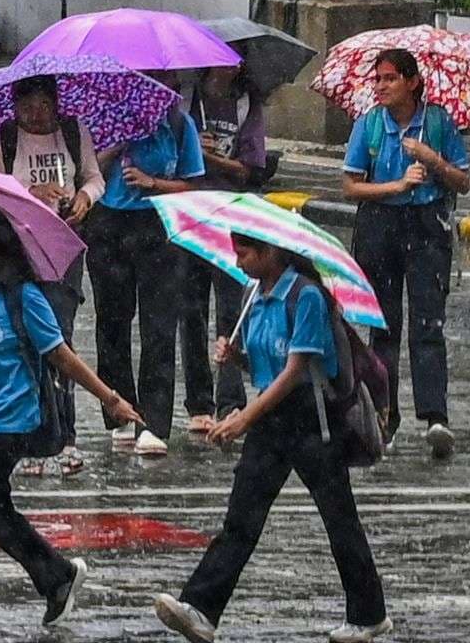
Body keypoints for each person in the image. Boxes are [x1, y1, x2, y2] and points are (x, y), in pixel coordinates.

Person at [0, 205, 141, 638]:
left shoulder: (22, 297)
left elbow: (60, 355)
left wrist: (109, 398)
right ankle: (56, 577)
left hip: (5, 420)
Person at [154, 234, 392, 643]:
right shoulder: (255, 296)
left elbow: (296, 369)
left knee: (339, 519)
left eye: (244, 253)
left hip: (312, 419)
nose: (237, 262)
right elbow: (266, 366)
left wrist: (243, 419)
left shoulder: (307, 296)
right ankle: (202, 608)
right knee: (241, 518)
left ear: (270, 252)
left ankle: (369, 613)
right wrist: (237, 357)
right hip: (270, 419)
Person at [341, 48, 470, 458]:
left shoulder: (438, 122)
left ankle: (435, 417)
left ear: (412, 82)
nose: (381, 86)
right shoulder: (369, 125)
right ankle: (385, 418)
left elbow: (463, 181)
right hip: (380, 226)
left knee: (428, 323)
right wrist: (396, 186)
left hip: (428, 228)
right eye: (377, 79)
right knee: (383, 327)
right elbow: (351, 186)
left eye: (390, 78)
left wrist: (433, 161)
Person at [0, 75, 105, 477]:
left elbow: (94, 178)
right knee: (23, 342)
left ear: (56, 104)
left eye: (43, 106)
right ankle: (30, 437)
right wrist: (30, 194)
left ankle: (65, 437)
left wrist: (84, 198)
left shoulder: (73, 132)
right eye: (27, 108)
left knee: (59, 340)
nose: (36, 115)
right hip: (19, 253)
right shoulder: (4, 139)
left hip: (64, 248)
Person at [87, 71, 204, 456]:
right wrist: (118, 142)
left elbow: (192, 184)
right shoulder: (104, 117)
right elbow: (86, 172)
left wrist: (154, 183)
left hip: (158, 226)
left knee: (159, 326)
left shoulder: (178, 124)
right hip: (108, 225)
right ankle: (119, 411)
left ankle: (154, 422)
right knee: (112, 322)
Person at [180, 66, 271, 433]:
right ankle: (198, 402)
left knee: (232, 310)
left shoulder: (247, 104)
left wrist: (211, 158)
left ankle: (230, 400)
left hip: (233, 216)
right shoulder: (187, 99)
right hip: (192, 214)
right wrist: (192, 146)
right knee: (191, 311)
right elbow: (174, 157)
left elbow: (250, 168)